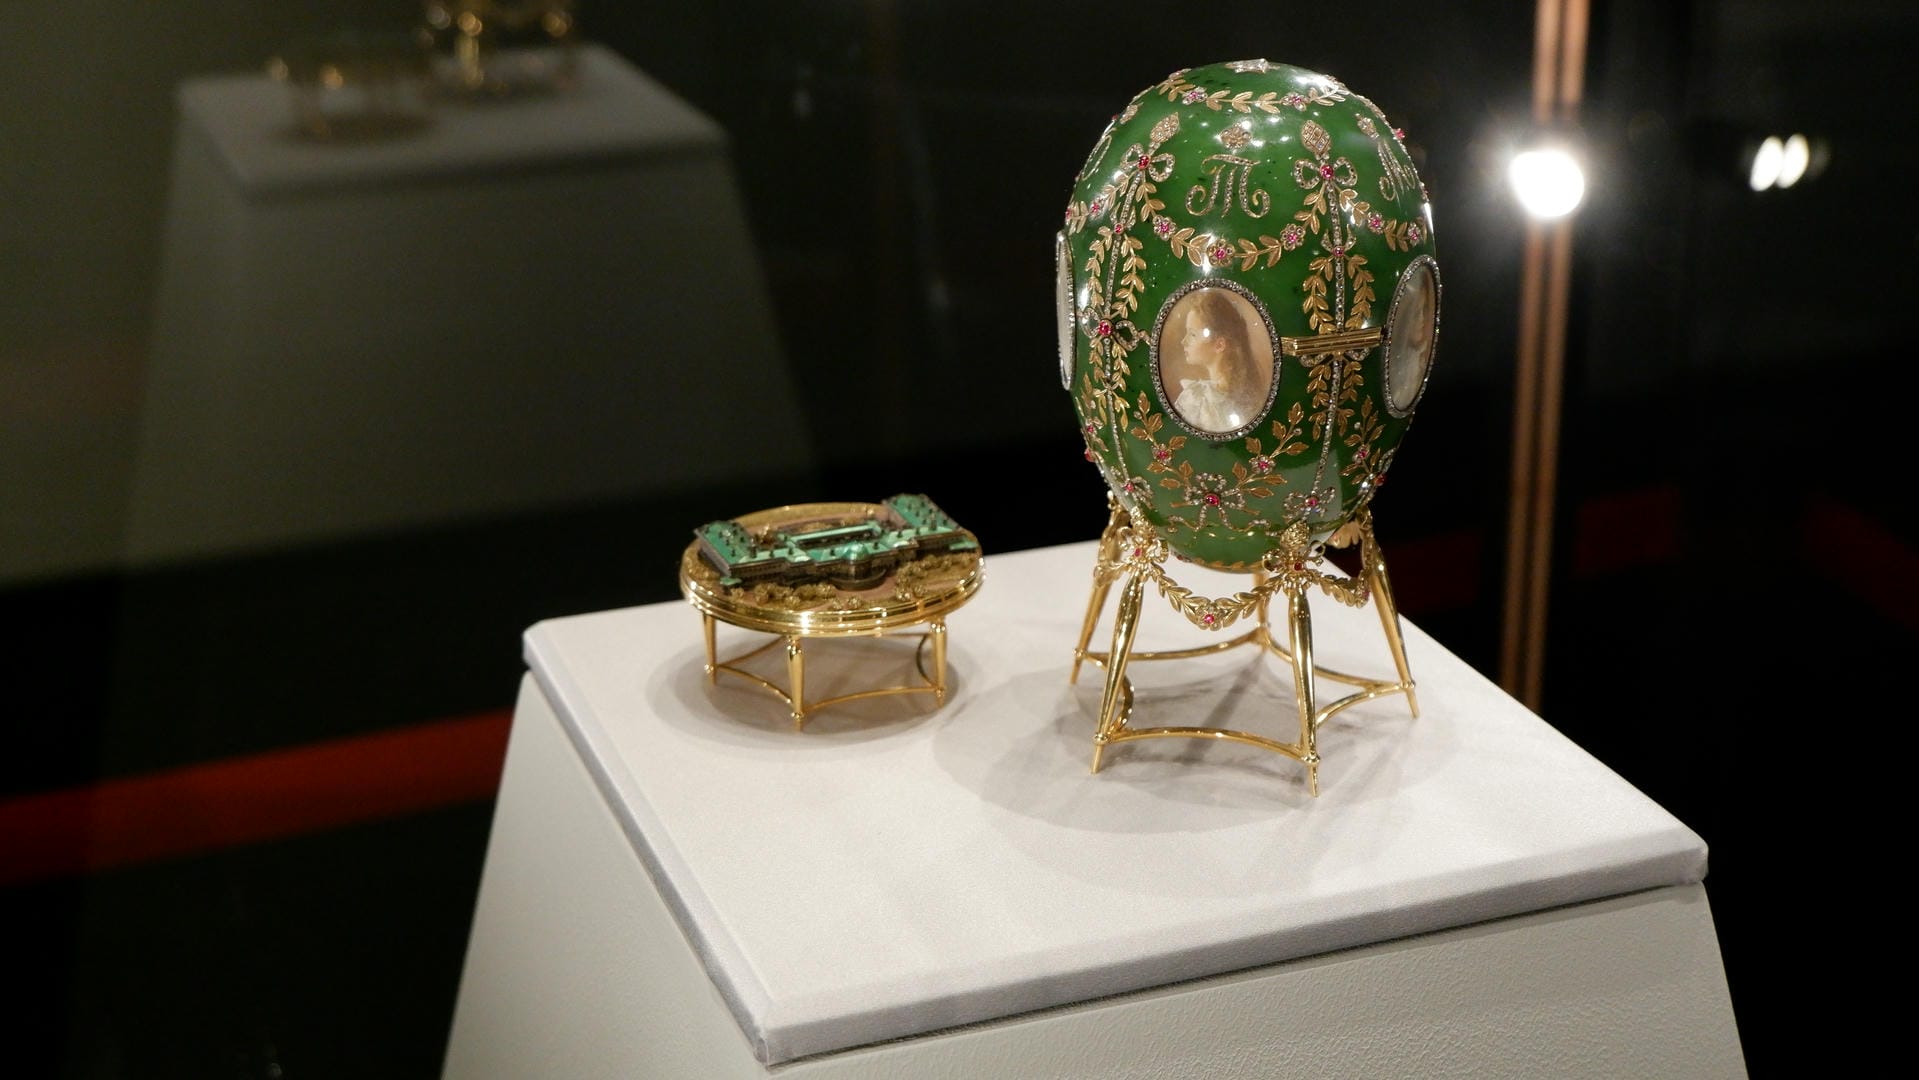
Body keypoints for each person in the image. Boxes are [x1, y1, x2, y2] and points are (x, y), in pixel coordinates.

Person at [1171, 289, 1265, 433]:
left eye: (1193, 334)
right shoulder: (1196, 396)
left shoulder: (1197, 399)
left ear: (1219, 345)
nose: (1183, 341)